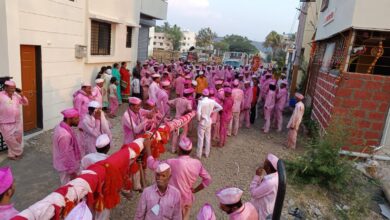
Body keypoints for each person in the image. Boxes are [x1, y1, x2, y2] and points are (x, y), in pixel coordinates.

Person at [146, 137, 212, 220]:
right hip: (187, 200)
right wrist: (195, 190)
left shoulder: (171, 162)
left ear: (179, 149)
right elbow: (208, 179)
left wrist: (148, 148)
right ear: (190, 151)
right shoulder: (197, 163)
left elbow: (152, 164)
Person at [52, 108, 82, 185]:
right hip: (66, 167)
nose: (78, 120)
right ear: (69, 119)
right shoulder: (65, 135)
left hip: (63, 163)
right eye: (76, 118)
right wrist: (72, 172)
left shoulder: (60, 126)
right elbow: (66, 155)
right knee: (68, 187)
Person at [0, 80, 28, 160]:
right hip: (5, 122)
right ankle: (19, 152)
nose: (13, 90)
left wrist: (22, 96)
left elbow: (26, 103)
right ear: (5, 88)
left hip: (17, 121)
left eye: (14, 88)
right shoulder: (0, 95)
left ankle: (11, 154)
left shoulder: (16, 95)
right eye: (11, 88)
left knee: (18, 138)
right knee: (9, 139)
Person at [250, 153, 279, 220]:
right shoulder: (276, 176)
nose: (263, 163)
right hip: (268, 207)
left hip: (262, 213)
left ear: (268, 168)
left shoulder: (269, 182)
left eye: (265, 163)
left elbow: (254, 193)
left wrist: (257, 176)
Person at [196, 89, 223, 159]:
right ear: (208, 95)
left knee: (200, 138)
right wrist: (213, 111)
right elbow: (220, 107)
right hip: (209, 121)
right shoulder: (212, 101)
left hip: (202, 121)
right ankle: (207, 153)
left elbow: (198, 113)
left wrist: (198, 119)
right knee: (208, 138)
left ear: (202, 94)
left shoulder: (201, 102)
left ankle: (199, 154)